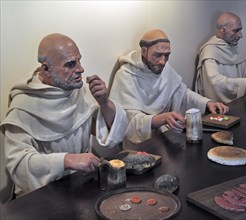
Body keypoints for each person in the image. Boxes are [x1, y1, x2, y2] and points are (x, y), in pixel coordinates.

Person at [0, 33, 128, 197]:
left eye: (79, 61)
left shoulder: (77, 90)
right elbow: (19, 166)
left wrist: (104, 102)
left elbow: (109, 130)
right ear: (46, 69)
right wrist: (66, 160)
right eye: (71, 64)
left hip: (78, 186)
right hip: (41, 197)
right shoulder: (24, 107)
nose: (80, 69)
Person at [109, 29, 229, 146]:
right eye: (158, 55)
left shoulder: (163, 67)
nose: (163, 61)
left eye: (167, 55)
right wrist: (161, 118)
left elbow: (182, 93)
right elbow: (127, 121)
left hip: (165, 137)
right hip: (139, 144)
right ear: (144, 51)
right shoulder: (125, 75)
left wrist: (207, 103)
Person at [195, 12, 246, 103]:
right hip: (219, 107)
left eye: (240, 30)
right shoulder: (209, 51)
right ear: (223, 30)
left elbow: (245, 73)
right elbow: (215, 82)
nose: (240, 35)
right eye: (236, 30)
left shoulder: (232, 46)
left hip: (239, 102)